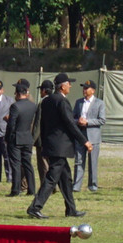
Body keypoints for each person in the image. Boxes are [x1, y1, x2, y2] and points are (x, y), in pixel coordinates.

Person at [27, 74, 88, 218]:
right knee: (52, 178)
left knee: (65, 178)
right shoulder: (62, 101)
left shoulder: (47, 101)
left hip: (51, 145)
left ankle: (71, 209)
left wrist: (44, 142)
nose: (70, 86)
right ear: (62, 86)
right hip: (60, 146)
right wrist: (84, 140)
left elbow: (42, 124)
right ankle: (35, 207)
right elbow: (69, 123)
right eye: (69, 84)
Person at [74, 81, 109, 193]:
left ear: (93, 90)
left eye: (87, 88)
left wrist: (88, 122)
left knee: (92, 162)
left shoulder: (99, 103)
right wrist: (78, 121)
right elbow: (72, 117)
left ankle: (93, 185)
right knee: (79, 161)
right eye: (83, 88)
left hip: (93, 137)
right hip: (80, 135)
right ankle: (76, 185)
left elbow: (102, 120)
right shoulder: (79, 102)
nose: (84, 90)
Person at [6, 80, 38, 197]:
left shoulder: (15, 106)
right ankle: (32, 189)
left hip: (16, 138)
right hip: (27, 137)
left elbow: (11, 124)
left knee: (16, 165)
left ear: (17, 94)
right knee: (28, 164)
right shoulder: (33, 105)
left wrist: (8, 138)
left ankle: (15, 189)